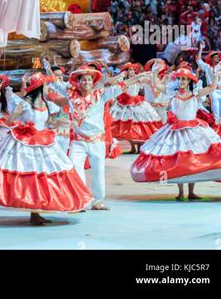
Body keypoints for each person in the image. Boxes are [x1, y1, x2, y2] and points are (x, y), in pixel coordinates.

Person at [0, 71, 92, 224]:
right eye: (46, 85)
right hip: (26, 143)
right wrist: (16, 114)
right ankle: (33, 213)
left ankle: (38, 211)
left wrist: (64, 123)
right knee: (31, 177)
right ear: (40, 87)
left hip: (44, 140)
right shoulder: (25, 103)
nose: (48, 88)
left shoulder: (46, 104)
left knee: (44, 177)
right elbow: (9, 122)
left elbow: (48, 123)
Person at [48, 65, 149, 210]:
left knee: (98, 171)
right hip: (78, 141)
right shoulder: (71, 94)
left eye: (89, 80)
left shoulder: (100, 94)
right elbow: (55, 83)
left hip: (97, 141)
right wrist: (48, 70)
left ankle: (98, 201)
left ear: (92, 81)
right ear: (78, 81)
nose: (86, 82)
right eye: (83, 80)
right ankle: (81, 200)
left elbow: (122, 85)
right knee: (76, 170)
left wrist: (138, 77)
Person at [131, 67, 221, 200]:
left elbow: (212, 88)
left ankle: (191, 191)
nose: (181, 81)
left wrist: (216, 75)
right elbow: (157, 85)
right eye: (180, 79)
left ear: (189, 81)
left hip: (193, 131)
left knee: (192, 161)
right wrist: (154, 73)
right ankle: (181, 192)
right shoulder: (172, 93)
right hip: (176, 132)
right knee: (179, 161)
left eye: (184, 79)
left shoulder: (195, 93)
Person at [109, 63, 163, 153]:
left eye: (133, 70)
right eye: (130, 70)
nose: (132, 71)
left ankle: (139, 144)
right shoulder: (122, 80)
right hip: (124, 104)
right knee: (129, 126)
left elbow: (149, 80)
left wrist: (153, 73)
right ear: (126, 72)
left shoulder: (138, 80)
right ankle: (133, 146)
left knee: (140, 124)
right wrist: (120, 75)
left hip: (137, 104)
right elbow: (112, 83)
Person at [196, 45, 221, 121]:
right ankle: (215, 126)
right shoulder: (207, 67)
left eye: (218, 56)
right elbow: (198, 60)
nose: (217, 58)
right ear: (211, 59)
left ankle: (220, 127)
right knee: (215, 110)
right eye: (215, 57)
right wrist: (201, 48)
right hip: (213, 91)